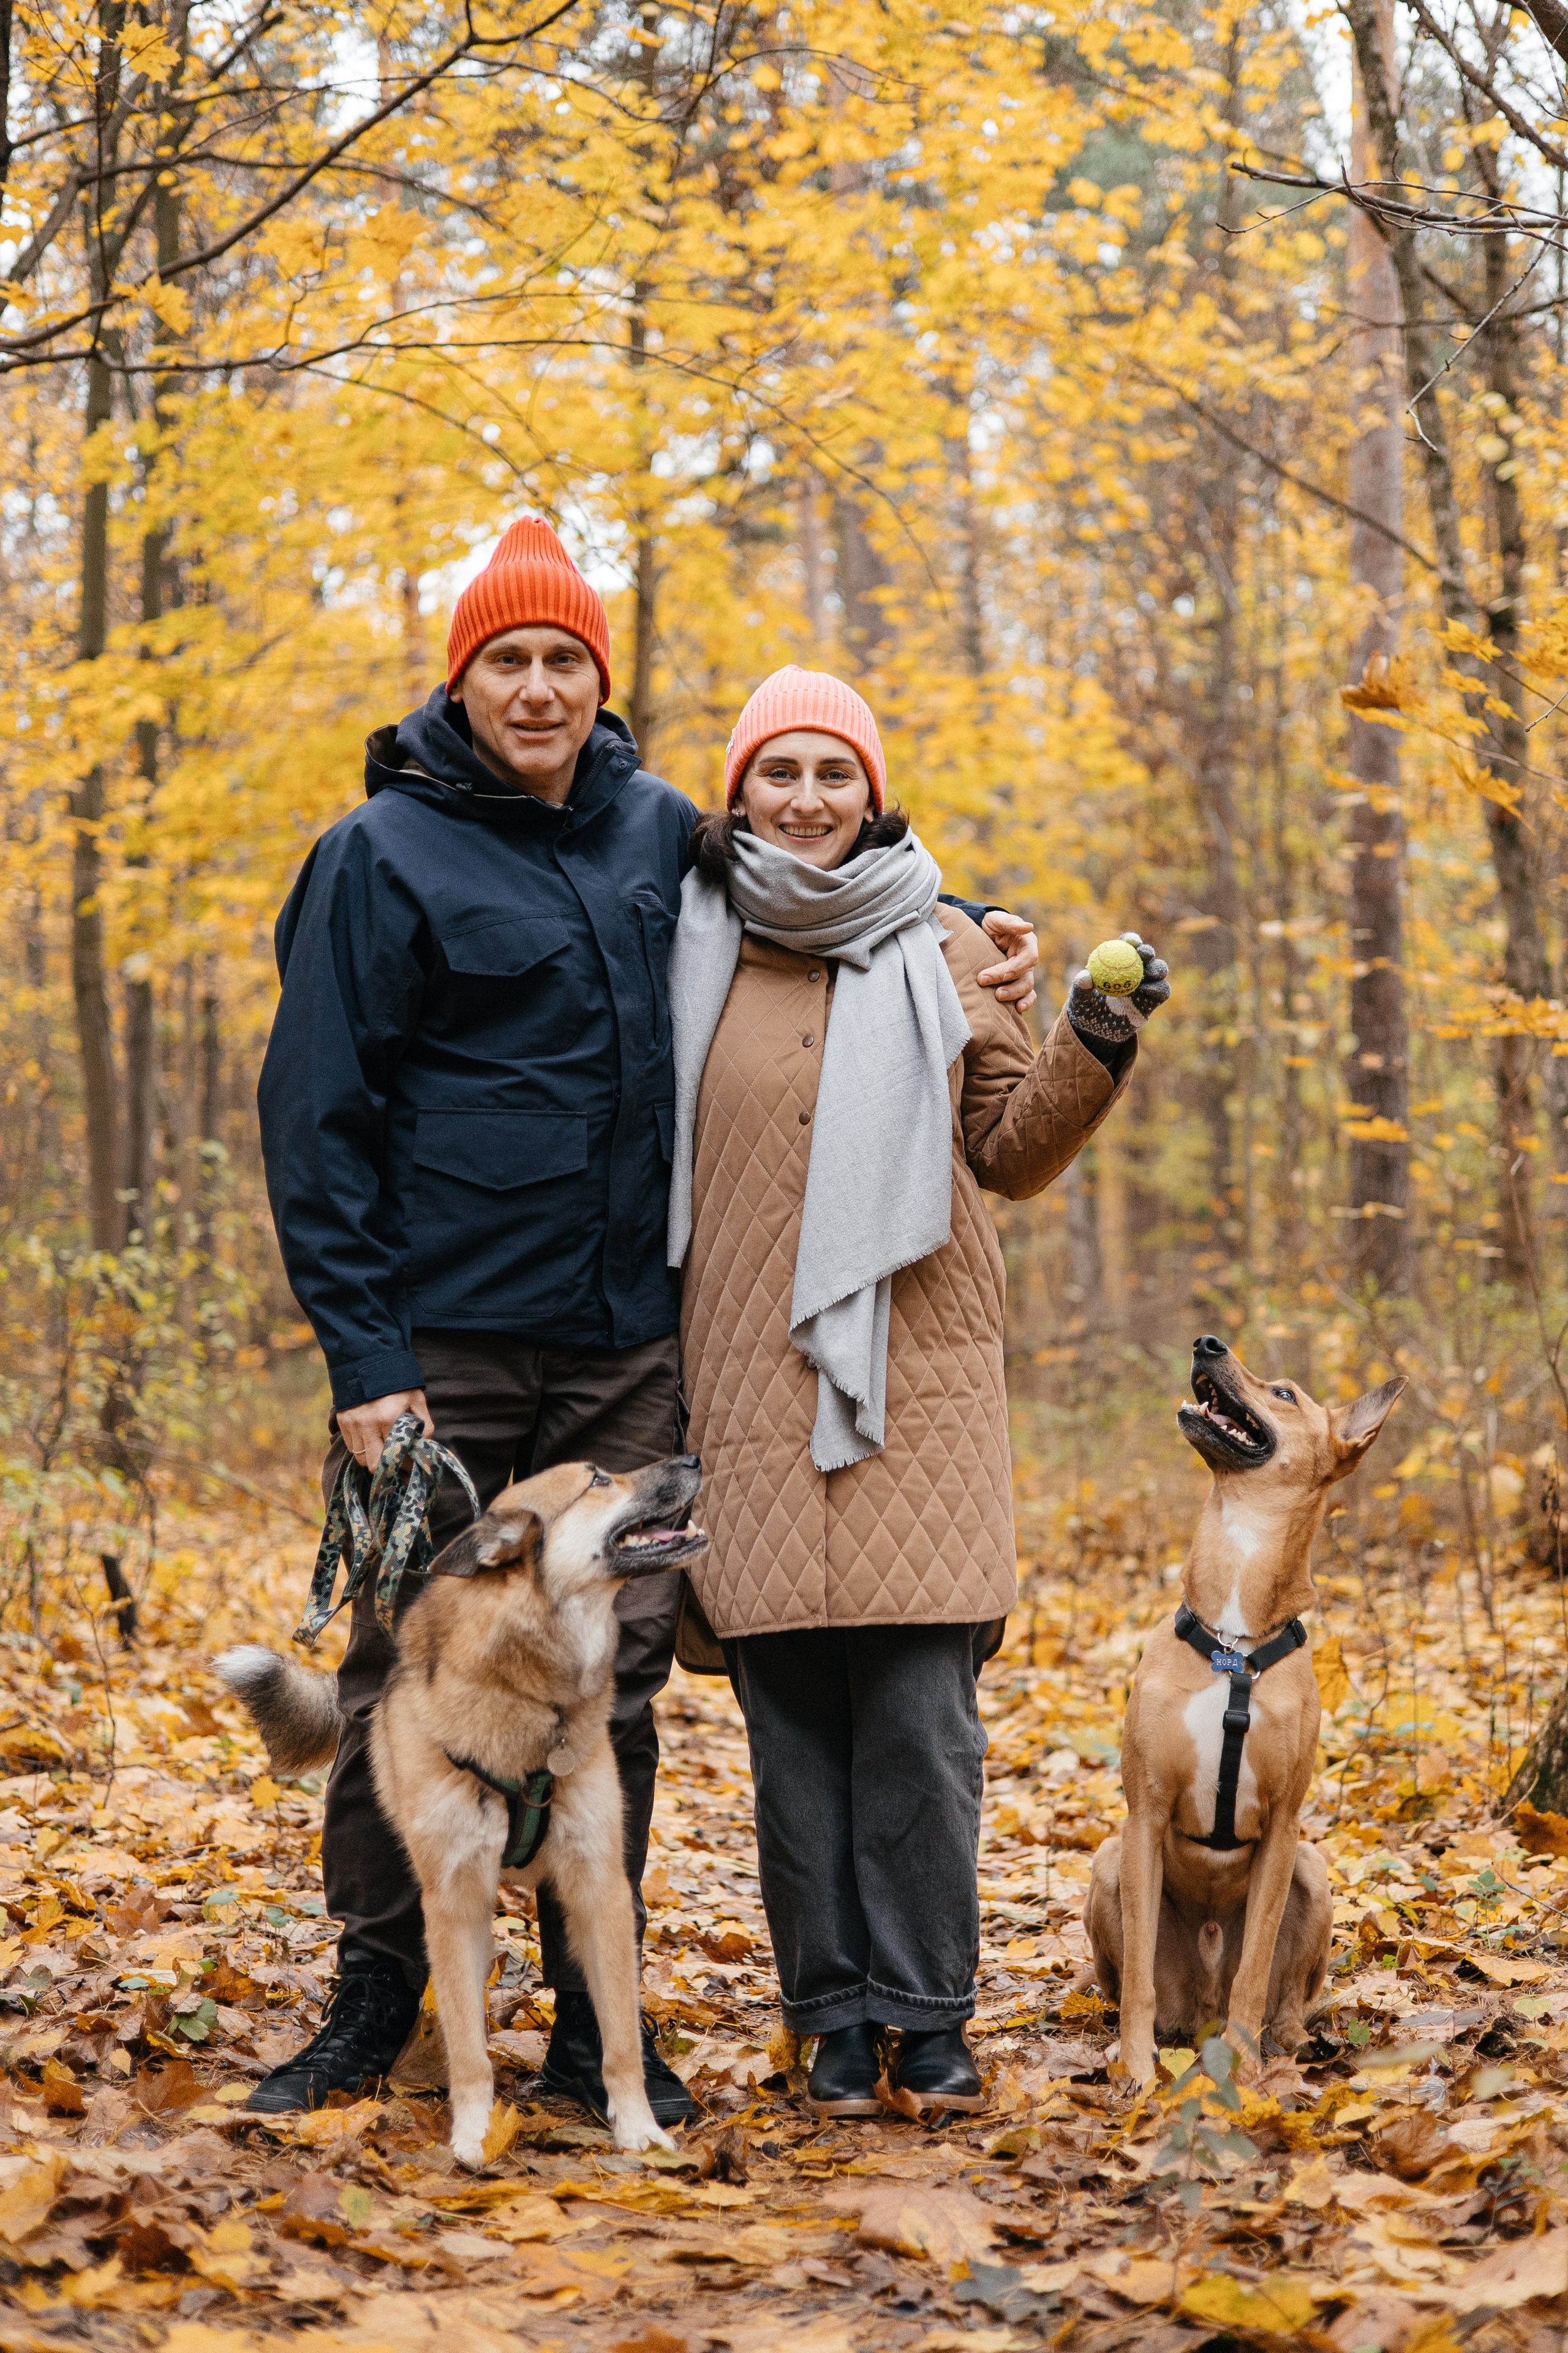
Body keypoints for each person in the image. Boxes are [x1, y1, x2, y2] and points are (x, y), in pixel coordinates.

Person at [252, 526, 1042, 2120]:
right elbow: (317, 1122)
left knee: (609, 1688)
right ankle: (374, 1993)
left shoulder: (654, 835)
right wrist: (368, 1367)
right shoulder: (378, 856)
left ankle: (585, 2025)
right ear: (459, 676)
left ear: (598, 683)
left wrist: (971, 921)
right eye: (507, 660)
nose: (537, 688)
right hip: (452, 1342)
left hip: (626, 1348)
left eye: (565, 661)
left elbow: (813, 860)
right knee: (413, 1666)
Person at [666, 666, 1169, 2117]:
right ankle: (828, 2015)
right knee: (790, 1737)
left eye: (835, 771)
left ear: (872, 790)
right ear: (740, 790)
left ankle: (929, 2017)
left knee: (918, 1728)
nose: (808, 797)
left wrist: (1090, 1034)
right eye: (781, 771)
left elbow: (1010, 1149)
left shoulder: (949, 944)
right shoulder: (695, 950)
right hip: (751, 1385)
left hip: (921, 1390)